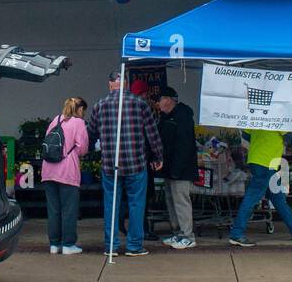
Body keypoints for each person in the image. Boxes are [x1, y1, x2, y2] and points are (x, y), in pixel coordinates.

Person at [86, 70, 163, 257]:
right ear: (127, 84)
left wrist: (88, 152)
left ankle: (111, 246)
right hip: (136, 163)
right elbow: (152, 134)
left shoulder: (99, 106)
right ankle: (134, 246)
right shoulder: (140, 104)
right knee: (137, 204)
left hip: (110, 164)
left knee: (111, 205)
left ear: (110, 84)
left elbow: (90, 134)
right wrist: (158, 156)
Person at [227, 128, 292, 247]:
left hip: (256, 159)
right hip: (268, 162)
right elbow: (291, 138)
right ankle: (236, 233)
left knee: (277, 198)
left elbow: (246, 136)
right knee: (251, 198)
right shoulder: (279, 116)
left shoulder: (256, 114)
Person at [41, 97, 89, 255]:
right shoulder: (79, 123)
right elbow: (82, 148)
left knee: (53, 209)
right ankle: (68, 244)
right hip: (67, 171)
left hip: (48, 170)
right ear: (80, 109)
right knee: (69, 209)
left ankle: (54, 245)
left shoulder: (56, 119)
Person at [156, 87, 198, 249]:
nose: (157, 103)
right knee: (171, 200)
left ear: (168, 100)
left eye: (159, 100)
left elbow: (184, 145)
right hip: (169, 167)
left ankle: (188, 235)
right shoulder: (166, 117)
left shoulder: (183, 116)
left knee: (181, 201)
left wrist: (177, 168)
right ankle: (178, 233)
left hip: (181, 169)